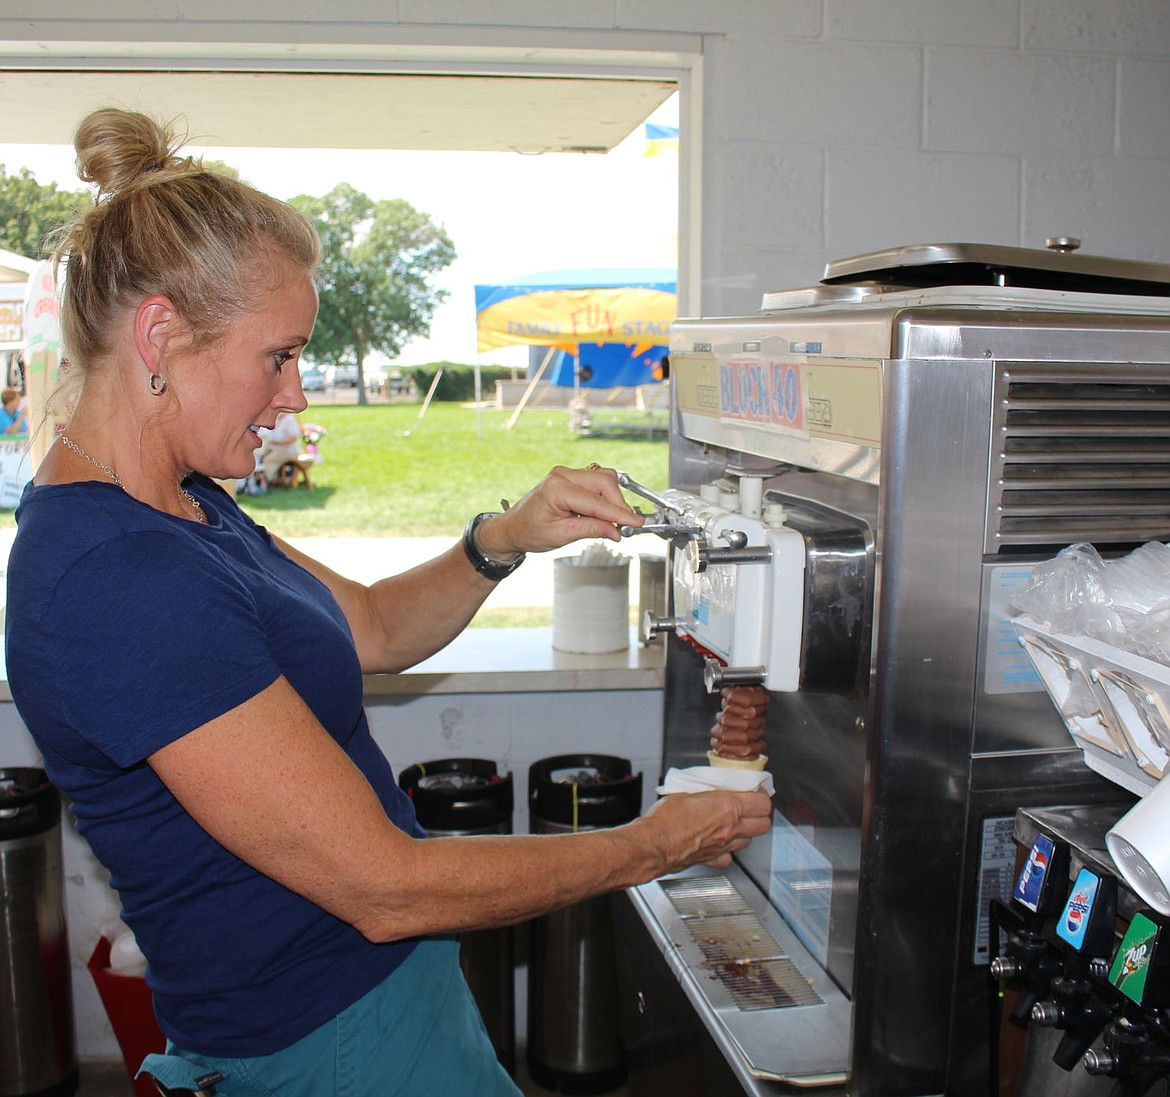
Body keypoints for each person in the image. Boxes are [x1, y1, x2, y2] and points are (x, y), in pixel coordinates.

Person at [3, 108, 772, 1097]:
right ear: (161, 334)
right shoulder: (112, 575)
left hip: (384, 998)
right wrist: (659, 843)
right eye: (278, 356)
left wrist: (506, 537)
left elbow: (368, 626)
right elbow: (383, 886)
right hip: (322, 1040)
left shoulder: (184, 506)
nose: (295, 398)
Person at [255, 409, 303, 486]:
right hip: (275, 448)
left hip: (288, 450)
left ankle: (267, 479)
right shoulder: (277, 420)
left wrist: (277, 443)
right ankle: (259, 477)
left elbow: (293, 438)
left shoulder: (289, 420)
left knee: (269, 459)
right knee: (260, 454)